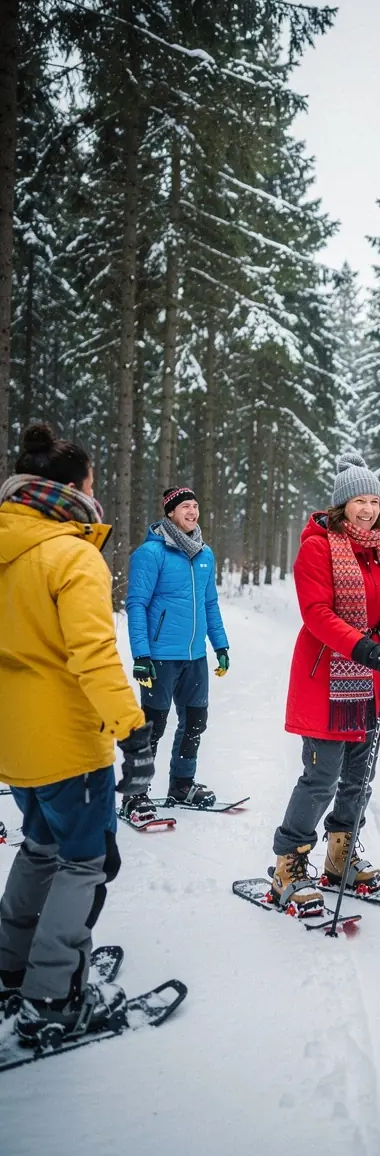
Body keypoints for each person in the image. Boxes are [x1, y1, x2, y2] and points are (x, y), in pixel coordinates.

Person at [0, 423, 154, 1043]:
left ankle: (12, 964)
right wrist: (131, 729)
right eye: (92, 482)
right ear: (70, 487)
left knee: (40, 847)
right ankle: (52, 994)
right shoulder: (71, 553)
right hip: (67, 739)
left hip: (15, 738)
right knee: (88, 861)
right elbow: (92, 654)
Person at [269, 451, 380, 916]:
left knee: (359, 777)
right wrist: (366, 650)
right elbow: (317, 614)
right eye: (358, 500)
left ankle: (340, 857)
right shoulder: (317, 546)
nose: (366, 508)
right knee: (321, 777)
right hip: (327, 679)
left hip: (371, 684)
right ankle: (289, 865)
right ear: (341, 504)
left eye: (373, 500)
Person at [125, 486, 229, 819]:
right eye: (186, 506)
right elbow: (136, 605)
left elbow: (210, 603)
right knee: (153, 725)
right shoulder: (150, 554)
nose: (192, 512)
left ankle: (182, 784)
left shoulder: (204, 554)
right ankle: (135, 793)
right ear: (170, 512)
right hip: (160, 656)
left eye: (196, 506)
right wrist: (141, 654)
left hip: (195, 657)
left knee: (195, 722)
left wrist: (220, 644)